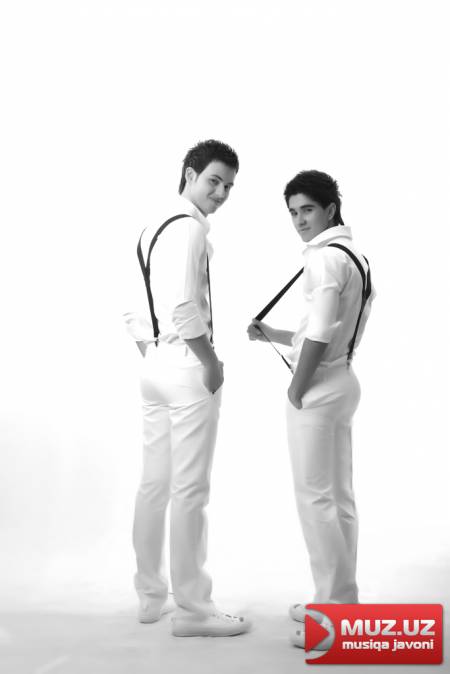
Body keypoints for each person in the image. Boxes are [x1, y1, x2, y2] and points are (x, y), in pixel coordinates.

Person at [124, 139, 250, 637]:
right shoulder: (190, 229)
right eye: (214, 181)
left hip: (154, 366)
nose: (221, 193)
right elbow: (182, 308)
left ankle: (150, 596)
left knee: (154, 485)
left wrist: (155, 352)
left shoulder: (150, 227)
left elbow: (134, 310)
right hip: (186, 369)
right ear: (190, 174)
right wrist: (209, 363)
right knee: (189, 491)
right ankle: (195, 611)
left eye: (229, 187)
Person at [247, 170, 374, 649]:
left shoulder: (323, 259)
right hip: (343, 380)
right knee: (338, 498)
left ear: (330, 209)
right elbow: (325, 331)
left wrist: (296, 389)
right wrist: (274, 334)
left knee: (316, 500)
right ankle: (339, 601)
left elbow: (320, 334)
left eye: (308, 210)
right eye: (293, 212)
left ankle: (334, 615)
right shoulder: (355, 256)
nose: (300, 220)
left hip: (318, 389)